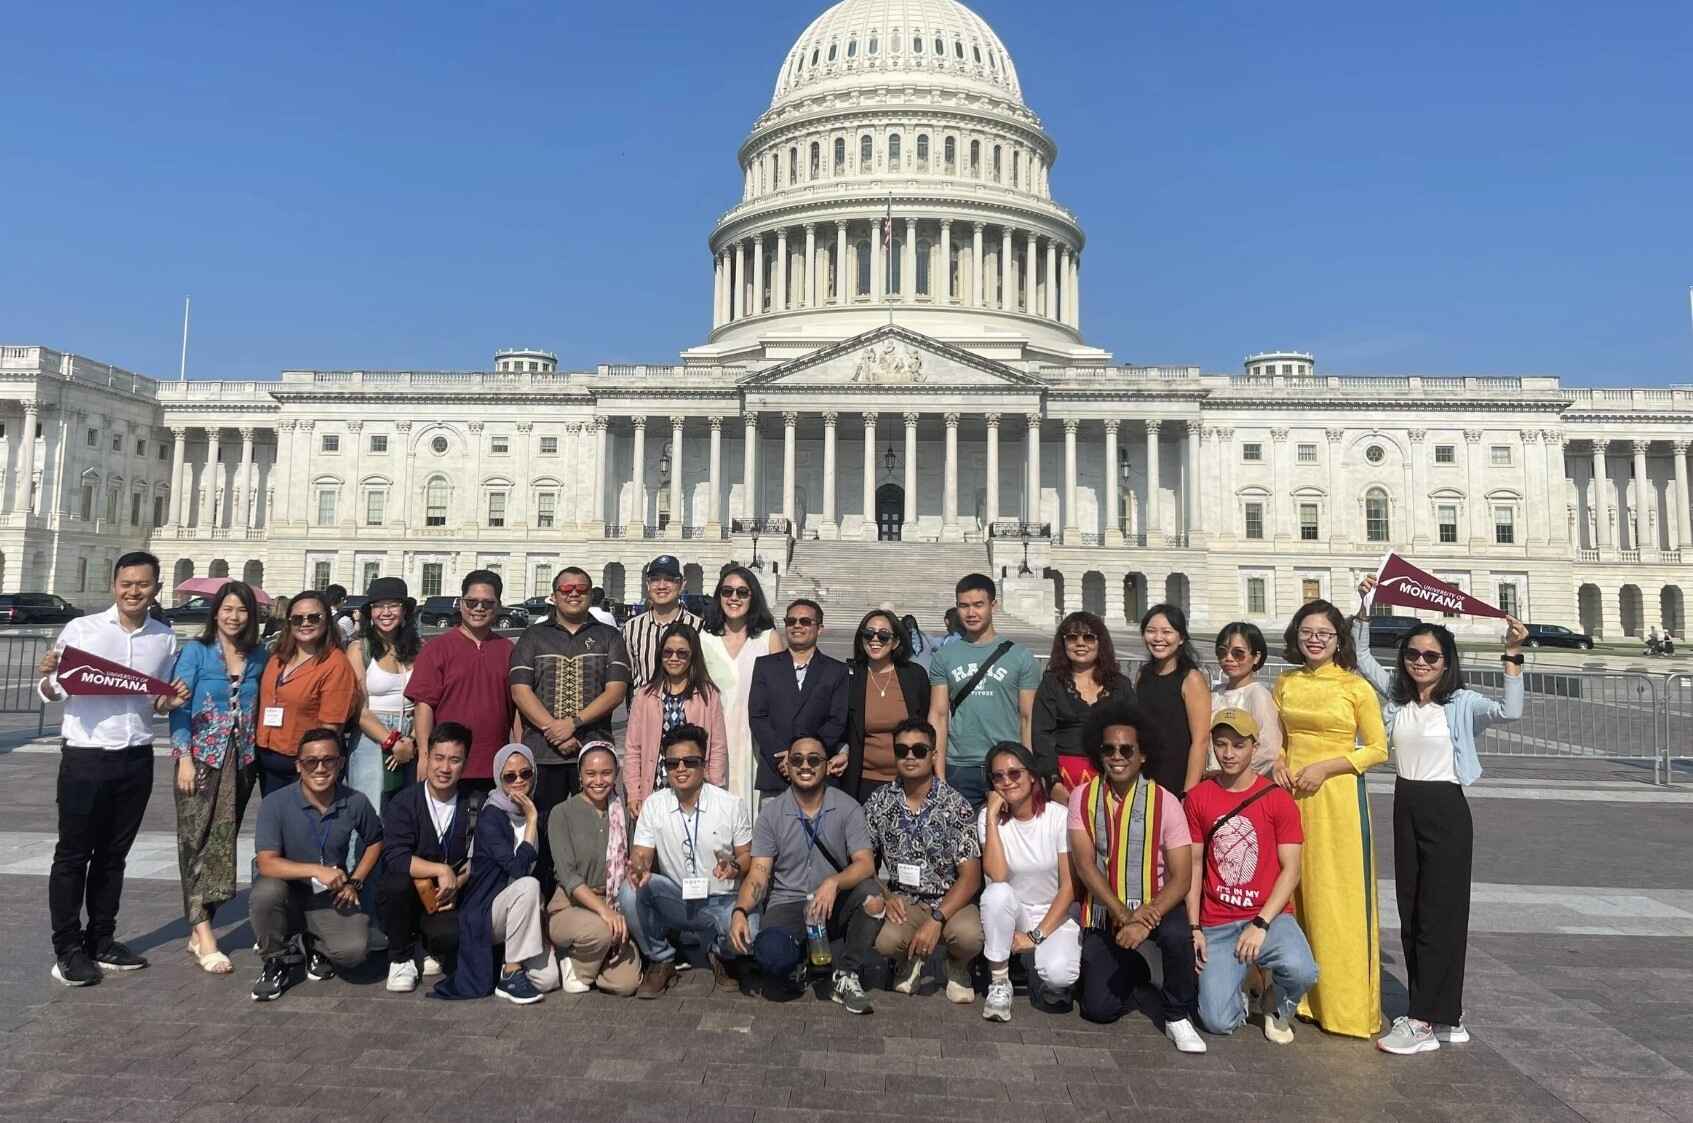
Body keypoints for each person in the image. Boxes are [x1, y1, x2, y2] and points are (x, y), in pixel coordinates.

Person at [1354, 577, 1527, 1055]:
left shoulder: (1462, 703)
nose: (1420, 662)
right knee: (1412, 914)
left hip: (1446, 809)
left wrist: (1512, 654)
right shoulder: (1398, 698)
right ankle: (1446, 1015)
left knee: (1440, 917)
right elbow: (1362, 658)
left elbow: (1510, 713)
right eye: (1413, 654)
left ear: (1447, 662)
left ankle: (1423, 1019)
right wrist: (1365, 608)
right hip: (1406, 804)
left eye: (1431, 656)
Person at [36, 551, 188, 986]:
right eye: (126, 583)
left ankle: (101, 939)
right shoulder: (81, 629)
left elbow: (154, 701)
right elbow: (51, 689)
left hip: (136, 756)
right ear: (114, 585)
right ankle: (67, 948)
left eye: (142, 584)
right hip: (86, 756)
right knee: (72, 855)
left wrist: (169, 702)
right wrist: (48, 674)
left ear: (156, 589)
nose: (133, 591)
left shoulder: (164, 639)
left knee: (114, 857)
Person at [1270, 599, 1389, 1038]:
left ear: (1339, 640)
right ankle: (1299, 995)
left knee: (1336, 897)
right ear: (1296, 637)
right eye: (1307, 631)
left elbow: (1377, 748)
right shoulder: (1285, 682)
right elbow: (1277, 737)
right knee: (1295, 892)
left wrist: (1327, 767)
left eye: (1324, 632)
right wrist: (1280, 760)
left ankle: (1344, 1005)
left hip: (1335, 796)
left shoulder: (1355, 686)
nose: (1314, 639)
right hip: (1291, 794)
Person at [1067, 702, 1203, 1052]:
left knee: (1176, 935)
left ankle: (1177, 1014)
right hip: (1107, 906)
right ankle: (1137, 968)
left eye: (1127, 749)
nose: (1117, 756)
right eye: (1108, 749)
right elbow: (1085, 865)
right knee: (1098, 1010)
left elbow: (1182, 877)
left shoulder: (1165, 801)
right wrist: (1124, 915)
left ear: (1143, 756)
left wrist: (1146, 919)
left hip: (1156, 900)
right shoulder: (1082, 797)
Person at [1185, 708, 1318, 1044]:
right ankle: (1244, 985)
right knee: (1216, 1021)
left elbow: (1292, 869)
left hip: (1266, 917)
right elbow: (1194, 864)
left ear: (1255, 747)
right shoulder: (1199, 797)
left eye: (1238, 745)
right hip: (1217, 921)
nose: (1228, 754)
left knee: (1303, 969)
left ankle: (1277, 1001)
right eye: (1221, 745)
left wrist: (1260, 924)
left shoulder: (1277, 800)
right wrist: (1194, 926)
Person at [729, 736, 878, 1011]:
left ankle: (846, 973)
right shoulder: (772, 813)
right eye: (797, 759)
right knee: (771, 955)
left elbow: (865, 864)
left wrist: (834, 881)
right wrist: (740, 911)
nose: (805, 766)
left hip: (832, 902)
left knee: (872, 895)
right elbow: (759, 874)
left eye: (814, 759)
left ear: (826, 765)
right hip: (789, 902)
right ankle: (803, 958)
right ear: (787, 764)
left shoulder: (848, 807)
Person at [168, 579, 269, 974]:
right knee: (194, 842)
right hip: (202, 758)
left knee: (222, 843)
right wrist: (184, 759)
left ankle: (201, 920)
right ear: (215, 612)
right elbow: (178, 706)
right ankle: (204, 931)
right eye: (227, 609)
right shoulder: (196, 651)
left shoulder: (257, 655)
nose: (233, 616)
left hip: (241, 760)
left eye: (241, 610)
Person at [847, 717, 983, 1008]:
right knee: (884, 941)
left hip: (949, 900)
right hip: (905, 899)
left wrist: (936, 920)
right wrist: (887, 894)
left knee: (969, 937)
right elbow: (864, 861)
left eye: (919, 750)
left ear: (933, 755)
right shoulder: (879, 802)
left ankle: (957, 964)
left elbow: (970, 878)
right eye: (902, 750)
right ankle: (908, 961)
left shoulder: (955, 805)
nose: (910, 756)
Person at [249, 728, 385, 1002]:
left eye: (329, 760)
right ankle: (276, 959)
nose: (320, 768)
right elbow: (266, 864)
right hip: (286, 890)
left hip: (328, 894)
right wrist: (315, 870)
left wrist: (356, 880)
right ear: (299, 766)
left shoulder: (355, 801)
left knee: (353, 952)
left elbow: (376, 840)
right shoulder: (276, 803)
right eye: (311, 762)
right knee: (266, 893)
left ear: (341, 763)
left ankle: (314, 943)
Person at [626, 724, 755, 998]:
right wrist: (638, 868)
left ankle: (720, 953)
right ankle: (662, 959)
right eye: (672, 763)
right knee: (628, 891)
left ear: (704, 764)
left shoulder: (730, 804)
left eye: (690, 762)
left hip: (721, 899)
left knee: (752, 935)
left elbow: (748, 856)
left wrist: (734, 866)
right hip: (679, 899)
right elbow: (642, 855)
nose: (681, 769)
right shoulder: (654, 804)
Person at [509, 565, 631, 842]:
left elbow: (615, 691)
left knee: (593, 830)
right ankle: (542, 884)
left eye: (581, 589)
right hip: (541, 753)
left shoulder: (609, 636)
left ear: (590, 595)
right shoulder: (533, 637)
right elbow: (520, 691)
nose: (573, 594)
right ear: (554, 595)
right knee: (540, 827)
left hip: (592, 754)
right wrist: (554, 728)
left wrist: (573, 724)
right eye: (566, 589)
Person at [433, 744, 561, 1004]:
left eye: (526, 774)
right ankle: (511, 972)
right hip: (489, 911)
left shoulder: (541, 811)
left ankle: (508, 963)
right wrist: (532, 820)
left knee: (548, 980)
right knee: (527, 884)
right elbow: (518, 868)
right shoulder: (491, 816)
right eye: (509, 776)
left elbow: (547, 871)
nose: (519, 781)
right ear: (498, 778)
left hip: (524, 913)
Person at [977, 742, 1082, 1023]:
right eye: (997, 776)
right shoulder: (990, 819)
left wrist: (1035, 937)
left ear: (1032, 775)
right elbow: (997, 876)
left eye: (1014, 773)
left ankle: (1039, 966)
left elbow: (1069, 887)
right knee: (996, 894)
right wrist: (990, 817)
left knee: (1059, 975)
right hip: (1016, 911)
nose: (1006, 782)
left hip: (1055, 912)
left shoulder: (1057, 816)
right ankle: (999, 981)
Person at [927, 574, 1040, 809]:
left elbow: (1027, 717)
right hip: (959, 766)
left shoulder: (1020, 656)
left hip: (1007, 766)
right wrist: (939, 773)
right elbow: (938, 715)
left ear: (993, 606)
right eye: (964, 606)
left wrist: (1029, 769)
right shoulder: (944, 657)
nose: (971, 613)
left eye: (978, 605)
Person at [377, 722, 473, 993]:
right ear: (426, 757)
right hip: (409, 892)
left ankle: (428, 945)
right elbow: (395, 856)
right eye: (438, 758)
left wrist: (459, 880)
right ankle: (400, 957)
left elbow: (482, 856)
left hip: (445, 899)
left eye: (454, 760)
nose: (445, 768)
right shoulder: (405, 802)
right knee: (394, 883)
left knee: (450, 937)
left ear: (465, 764)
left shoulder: (473, 803)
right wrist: (441, 870)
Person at [407, 570, 517, 795]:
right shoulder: (436, 649)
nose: (478, 608)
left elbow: (518, 709)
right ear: (460, 603)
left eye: (487, 603)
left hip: (496, 764)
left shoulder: (508, 650)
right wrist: (425, 758)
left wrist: (520, 753)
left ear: (498, 606)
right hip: (447, 767)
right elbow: (424, 706)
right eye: (472, 602)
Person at [545, 742, 642, 996]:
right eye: (591, 774)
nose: (598, 781)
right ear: (580, 775)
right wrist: (605, 913)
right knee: (601, 930)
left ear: (616, 774)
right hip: (570, 905)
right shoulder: (562, 813)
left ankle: (587, 960)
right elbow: (568, 876)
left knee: (625, 984)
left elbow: (634, 861)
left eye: (606, 773)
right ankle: (576, 966)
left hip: (614, 903)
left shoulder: (624, 814)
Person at [254, 589, 358, 798]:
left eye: (313, 617)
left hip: (306, 767)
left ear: (327, 621)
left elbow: (331, 727)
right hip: (268, 761)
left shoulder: (335, 664)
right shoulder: (278, 657)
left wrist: (312, 767)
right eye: (297, 618)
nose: (305, 623)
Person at [699, 565, 783, 810]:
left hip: (754, 741)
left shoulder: (768, 639)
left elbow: (780, 698)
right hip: (714, 737)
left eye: (742, 592)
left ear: (753, 597)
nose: (734, 598)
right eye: (727, 592)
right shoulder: (704, 639)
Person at [747, 599, 849, 799]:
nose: (797, 626)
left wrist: (802, 756)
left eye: (805, 621)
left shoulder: (836, 670)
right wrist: (781, 756)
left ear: (819, 628)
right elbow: (758, 716)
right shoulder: (765, 666)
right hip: (776, 771)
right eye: (791, 621)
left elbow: (837, 719)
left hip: (816, 771)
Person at [624, 622, 727, 815]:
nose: (674, 658)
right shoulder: (645, 695)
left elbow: (718, 746)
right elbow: (633, 748)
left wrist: (715, 787)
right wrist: (633, 793)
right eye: (668, 652)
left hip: (696, 789)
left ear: (692, 656)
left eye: (682, 653)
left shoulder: (707, 695)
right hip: (655, 787)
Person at [1033, 610, 1131, 802]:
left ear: (1100, 643)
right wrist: (1053, 781)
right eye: (1072, 638)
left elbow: (1135, 731)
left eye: (1089, 637)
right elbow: (1041, 734)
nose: (1080, 643)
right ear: (1063, 643)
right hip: (1064, 778)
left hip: (1112, 774)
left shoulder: (1120, 685)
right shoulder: (1051, 683)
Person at [841, 609, 930, 804]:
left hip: (908, 781)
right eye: (868, 633)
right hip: (863, 782)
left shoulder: (915, 675)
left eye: (883, 635)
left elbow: (927, 722)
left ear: (896, 642)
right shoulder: (849, 676)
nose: (875, 639)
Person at [347, 577, 420, 816]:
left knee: (405, 816)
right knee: (368, 815)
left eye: (393, 605)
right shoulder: (359, 649)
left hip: (411, 737)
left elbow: (427, 701)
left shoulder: (421, 648)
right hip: (372, 736)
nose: (385, 612)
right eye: (378, 606)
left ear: (405, 611)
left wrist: (411, 740)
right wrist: (392, 742)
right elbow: (360, 709)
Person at [1134, 604, 1210, 795]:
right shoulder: (1142, 675)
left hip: (1178, 777)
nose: (1158, 638)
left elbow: (1200, 741)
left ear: (1181, 637)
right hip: (1144, 777)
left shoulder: (1191, 678)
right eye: (1151, 631)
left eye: (1167, 632)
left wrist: (1188, 793)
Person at [1211, 622, 1282, 776]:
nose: (1228, 658)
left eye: (1238, 653)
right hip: (1210, 782)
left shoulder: (1259, 695)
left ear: (1256, 657)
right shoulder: (1215, 693)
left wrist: (1233, 775)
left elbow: (1268, 749)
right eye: (1222, 652)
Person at [622, 555, 701, 693]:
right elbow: (627, 677)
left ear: (682, 585)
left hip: (685, 710)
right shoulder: (631, 628)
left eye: (670, 580)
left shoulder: (698, 627)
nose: (661, 586)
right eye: (655, 580)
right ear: (647, 584)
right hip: (643, 710)